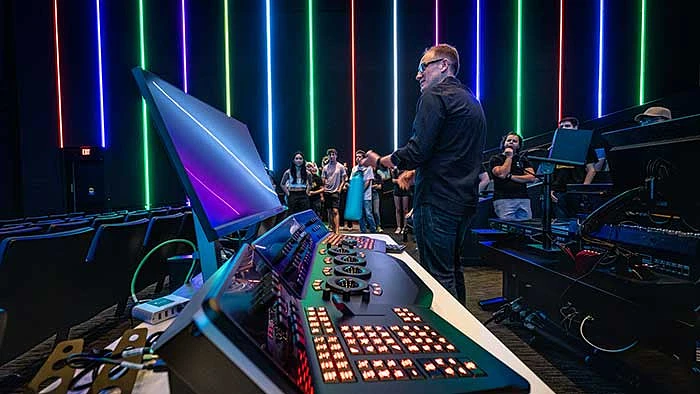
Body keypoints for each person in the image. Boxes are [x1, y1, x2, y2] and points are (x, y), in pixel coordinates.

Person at [363, 43, 486, 305]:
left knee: (437, 279)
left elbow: (418, 150)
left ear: (443, 65)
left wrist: (382, 161)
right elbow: (450, 152)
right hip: (464, 202)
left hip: (438, 201)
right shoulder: (472, 102)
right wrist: (414, 172)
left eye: (423, 67)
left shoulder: (434, 96)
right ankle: (462, 333)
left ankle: (447, 341)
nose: (418, 75)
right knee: (452, 270)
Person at [550, 116, 603, 219]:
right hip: (558, 191)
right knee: (561, 222)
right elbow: (552, 170)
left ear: (575, 127)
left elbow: (591, 170)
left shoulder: (584, 145)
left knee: (576, 222)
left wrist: (583, 189)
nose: (564, 128)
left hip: (576, 190)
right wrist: (551, 190)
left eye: (567, 126)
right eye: (562, 126)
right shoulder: (556, 147)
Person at [488, 132, 537, 221]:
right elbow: (502, 174)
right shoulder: (496, 159)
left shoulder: (523, 159)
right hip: (504, 199)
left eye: (514, 141)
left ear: (518, 146)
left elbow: (532, 178)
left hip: (523, 199)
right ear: (504, 143)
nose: (511, 142)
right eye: (509, 140)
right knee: (509, 229)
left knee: (526, 227)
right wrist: (509, 157)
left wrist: (511, 177)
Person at [350, 150, 377, 233]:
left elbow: (368, 182)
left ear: (363, 158)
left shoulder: (368, 168)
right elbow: (352, 180)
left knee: (368, 213)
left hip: (366, 195)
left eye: (359, 156)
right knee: (360, 215)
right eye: (356, 157)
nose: (357, 158)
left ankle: (373, 230)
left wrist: (360, 192)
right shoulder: (354, 168)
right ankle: (363, 231)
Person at [322, 148, 347, 233]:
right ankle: (332, 229)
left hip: (336, 191)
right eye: (330, 155)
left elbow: (344, 179)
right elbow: (323, 179)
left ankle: (337, 231)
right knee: (329, 211)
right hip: (327, 191)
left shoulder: (340, 167)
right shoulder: (325, 168)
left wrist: (340, 188)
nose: (332, 156)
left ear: (336, 156)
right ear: (328, 156)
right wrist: (324, 188)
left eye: (333, 154)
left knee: (335, 210)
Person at [391, 168, 411, 234]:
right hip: (397, 190)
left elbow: (408, 179)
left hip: (405, 190)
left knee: (405, 209)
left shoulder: (407, 167)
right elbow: (392, 180)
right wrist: (400, 180)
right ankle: (398, 227)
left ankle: (405, 227)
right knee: (398, 209)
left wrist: (401, 180)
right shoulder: (395, 168)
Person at [372, 167, 388, 232]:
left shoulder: (377, 176)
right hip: (367, 194)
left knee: (376, 211)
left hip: (375, 194)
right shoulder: (365, 174)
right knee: (369, 212)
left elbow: (380, 186)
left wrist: (373, 186)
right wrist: (375, 186)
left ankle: (378, 226)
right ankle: (372, 226)